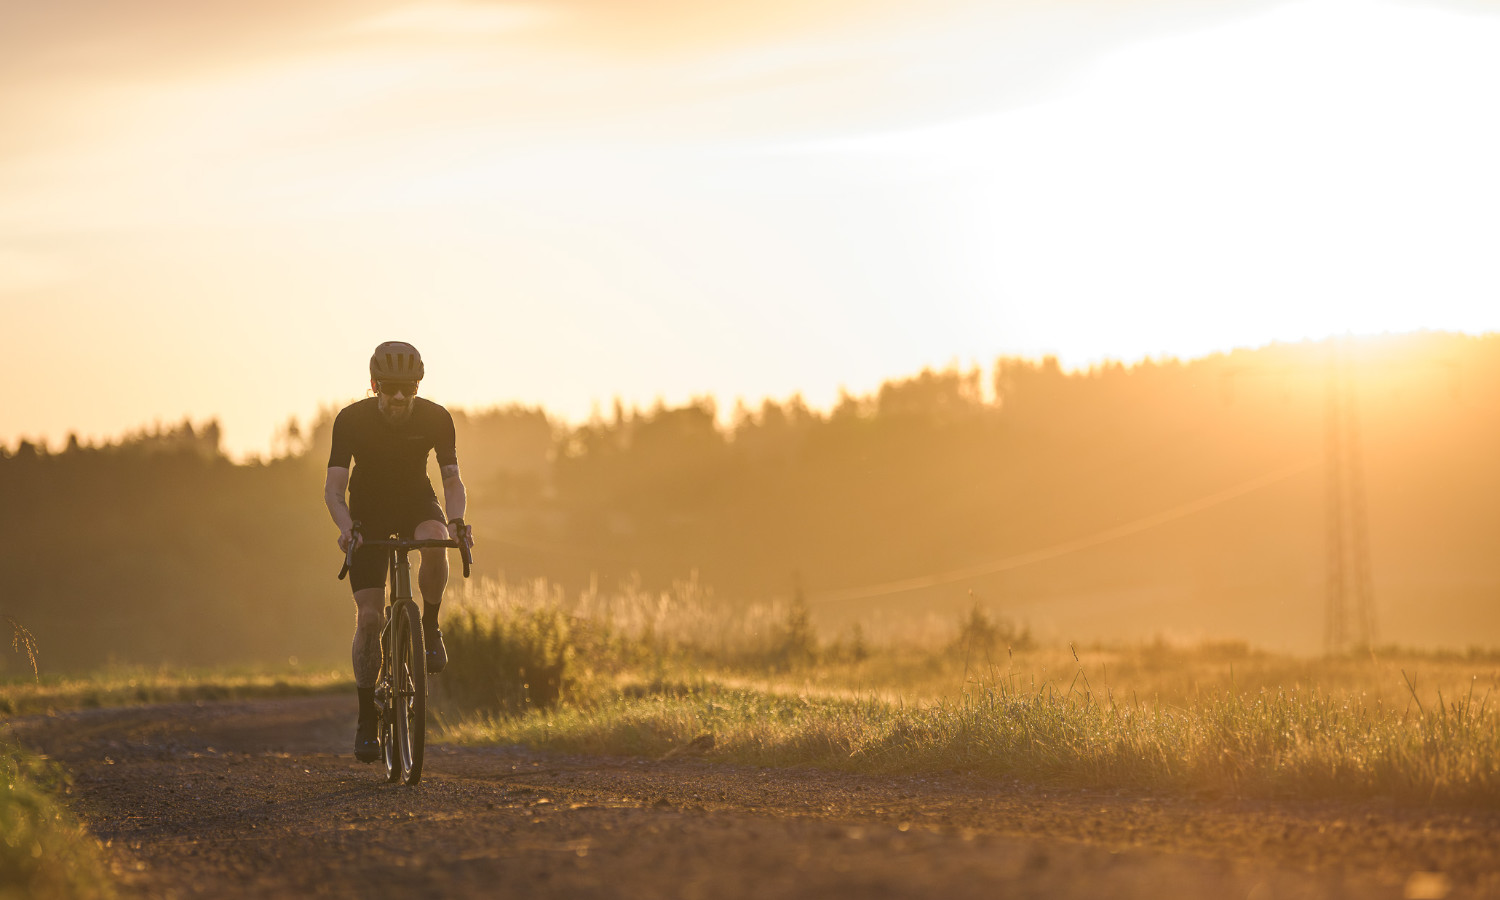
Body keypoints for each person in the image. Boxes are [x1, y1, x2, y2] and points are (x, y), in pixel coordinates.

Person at [323, 341, 474, 762]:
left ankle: (429, 624)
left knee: (434, 536)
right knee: (370, 618)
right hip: (367, 510)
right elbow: (334, 490)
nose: (399, 397)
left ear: (418, 386)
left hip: (414, 499)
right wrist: (347, 528)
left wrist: (458, 521)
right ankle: (367, 719)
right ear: (374, 386)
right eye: (390, 388)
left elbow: (452, 481)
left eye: (407, 388)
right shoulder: (350, 420)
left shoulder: (436, 417)